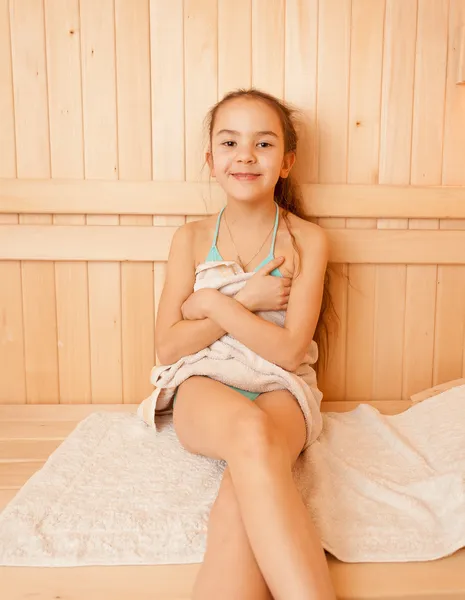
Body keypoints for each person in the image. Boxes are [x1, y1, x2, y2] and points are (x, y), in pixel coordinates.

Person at [155, 89, 336, 600]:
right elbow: (168, 349)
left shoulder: (308, 240)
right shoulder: (190, 238)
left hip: (283, 387)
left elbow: (290, 352)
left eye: (264, 144)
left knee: (245, 474)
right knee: (249, 436)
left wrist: (216, 304)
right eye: (230, 142)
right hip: (205, 383)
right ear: (211, 160)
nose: (246, 155)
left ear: (286, 162)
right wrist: (246, 300)